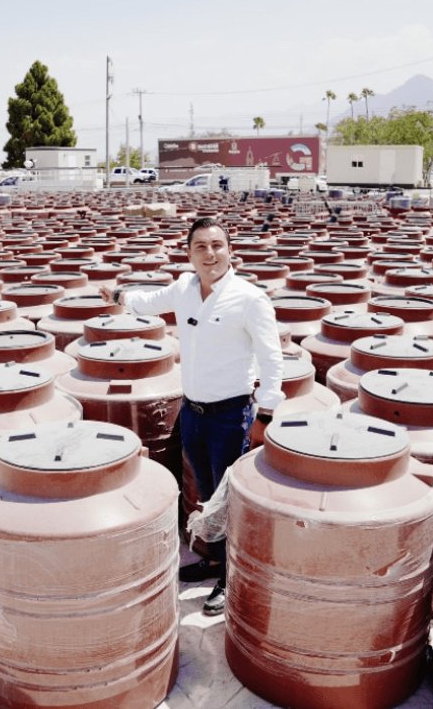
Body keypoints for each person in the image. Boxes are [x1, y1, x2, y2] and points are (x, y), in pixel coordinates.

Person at [100, 217, 284, 616]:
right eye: (200, 246)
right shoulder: (183, 288)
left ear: (230, 250)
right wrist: (118, 294)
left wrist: (264, 417)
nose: (210, 253)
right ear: (188, 253)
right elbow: (147, 302)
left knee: (228, 498)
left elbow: (272, 362)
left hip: (230, 415)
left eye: (217, 245)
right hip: (193, 413)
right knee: (204, 493)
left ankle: (231, 576)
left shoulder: (250, 298)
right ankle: (215, 561)